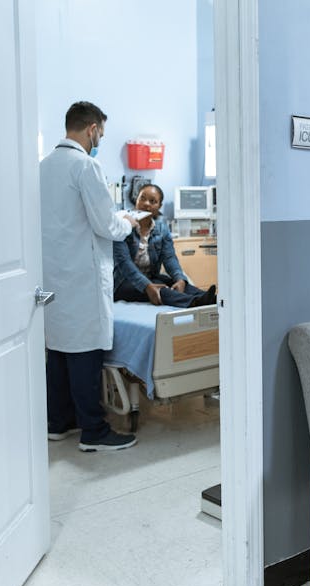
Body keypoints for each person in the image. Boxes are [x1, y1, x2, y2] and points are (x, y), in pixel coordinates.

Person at [41, 101, 139, 452]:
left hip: (53, 275)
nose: (100, 138)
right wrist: (126, 222)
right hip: (81, 275)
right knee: (84, 352)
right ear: (92, 128)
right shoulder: (86, 166)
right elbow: (106, 224)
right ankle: (93, 431)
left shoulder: (43, 167)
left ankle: (58, 421)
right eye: (101, 133)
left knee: (58, 350)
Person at [112, 183, 217, 307]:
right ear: (136, 200)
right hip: (123, 282)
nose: (146, 204)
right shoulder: (123, 227)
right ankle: (192, 303)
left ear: (159, 206)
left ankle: (211, 300)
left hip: (150, 277)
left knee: (179, 283)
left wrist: (180, 279)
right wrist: (147, 286)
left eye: (152, 201)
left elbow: (169, 258)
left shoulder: (162, 229)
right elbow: (125, 264)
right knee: (162, 290)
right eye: (142, 198)